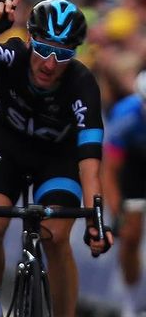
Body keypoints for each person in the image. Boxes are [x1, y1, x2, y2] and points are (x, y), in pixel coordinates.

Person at [0, 0, 113, 317]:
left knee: (55, 237)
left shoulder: (83, 84)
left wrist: (95, 217)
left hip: (58, 160)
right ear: (29, 40)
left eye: (62, 54)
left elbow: (89, 160)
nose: (50, 64)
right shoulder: (13, 56)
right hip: (6, 149)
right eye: (42, 49)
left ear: (75, 54)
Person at [102, 70, 146, 317]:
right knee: (130, 237)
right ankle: (131, 303)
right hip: (133, 166)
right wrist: (117, 209)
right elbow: (110, 169)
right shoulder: (126, 115)